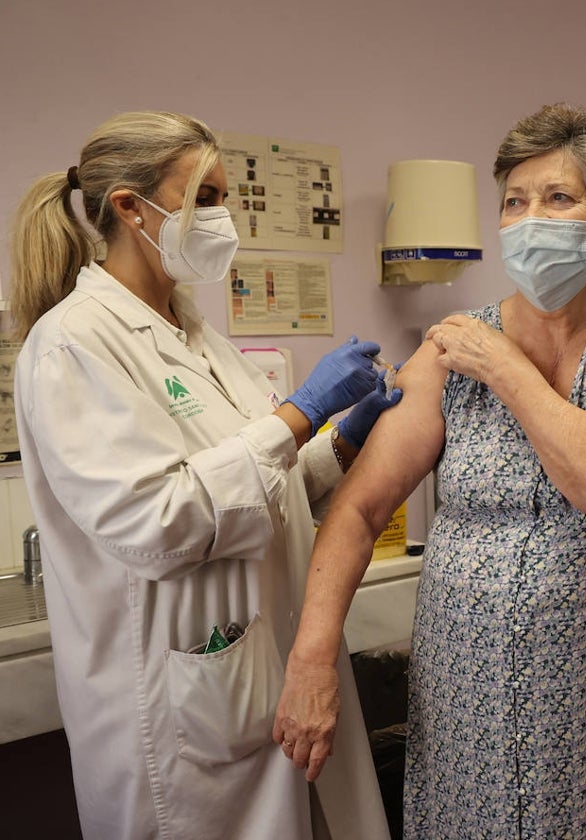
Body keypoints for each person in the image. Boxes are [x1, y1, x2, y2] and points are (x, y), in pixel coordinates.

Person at [273, 102, 586, 838]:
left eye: (559, 199)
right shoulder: (446, 352)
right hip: (464, 683)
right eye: (513, 202)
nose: (530, 220)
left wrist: (504, 367)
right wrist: (312, 658)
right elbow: (360, 510)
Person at [9, 111, 395, 840]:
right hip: (179, 707)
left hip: (259, 671)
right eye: (207, 198)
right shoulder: (74, 342)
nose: (225, 218)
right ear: (130, 207)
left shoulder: (196, 333)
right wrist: (300, 411)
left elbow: (263, 487)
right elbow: (157, 524)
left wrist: (346, 436)